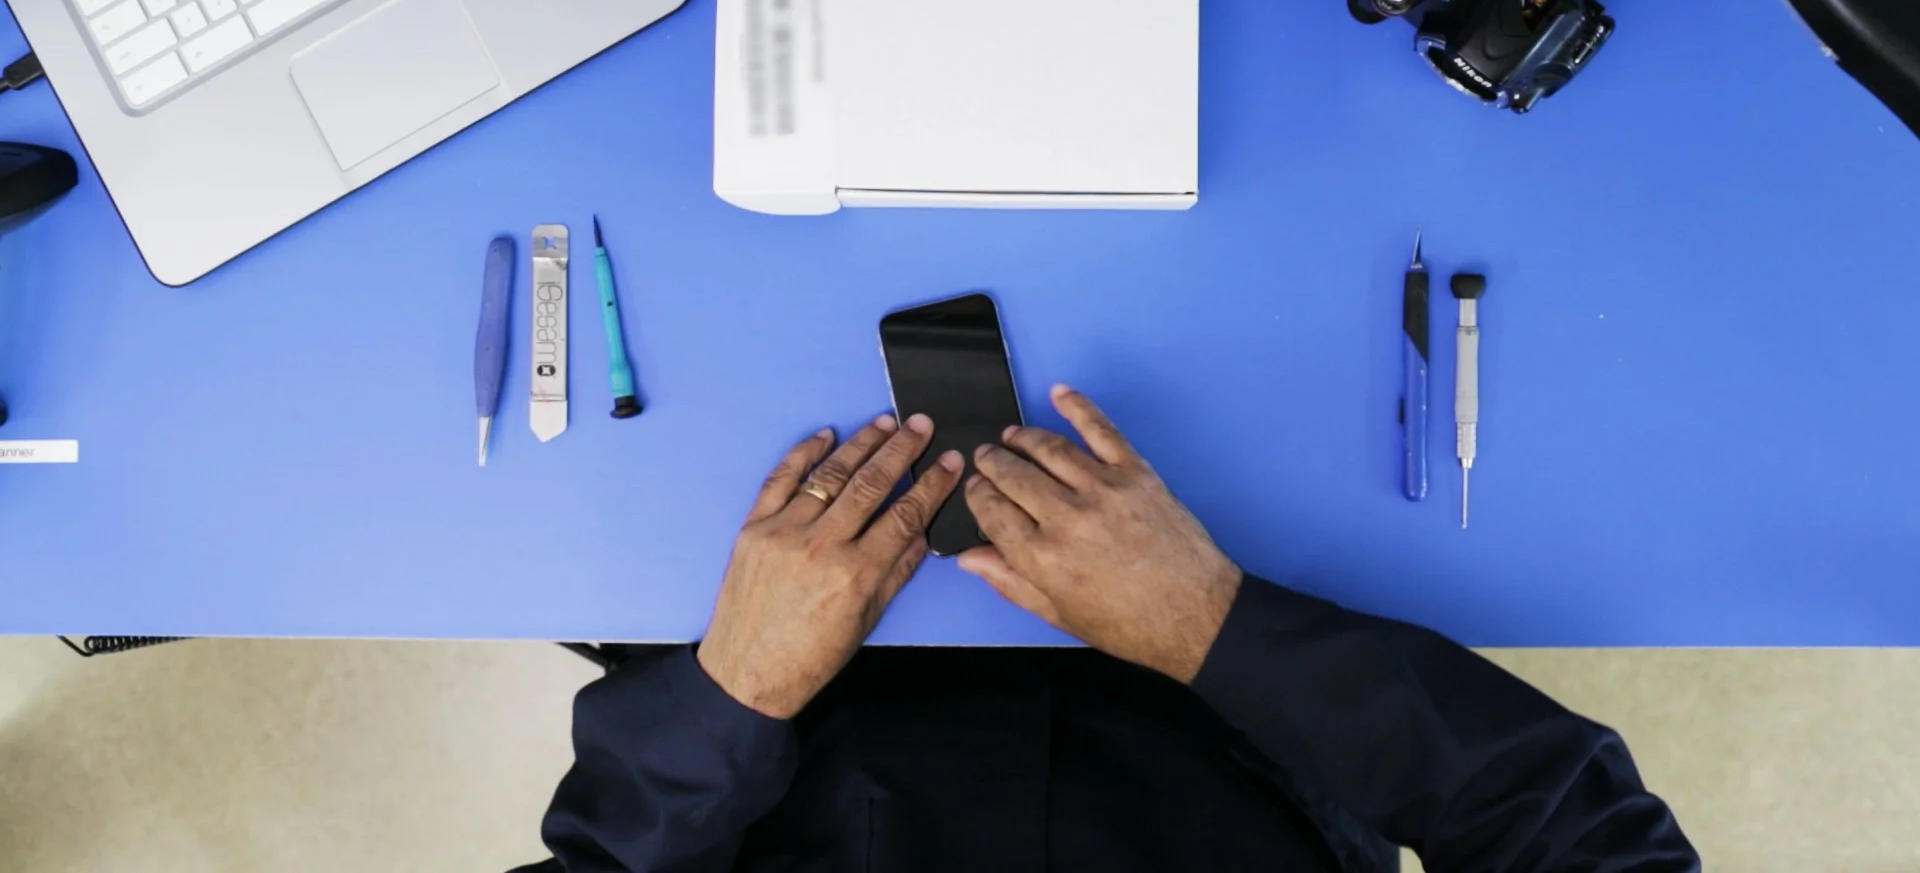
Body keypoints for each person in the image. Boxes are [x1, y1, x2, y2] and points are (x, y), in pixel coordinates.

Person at [517, 385, 1699, 873]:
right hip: (1243, 673)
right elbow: (1578, 840)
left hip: (805, 684)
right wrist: (1208, 623)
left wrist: (733, 687)